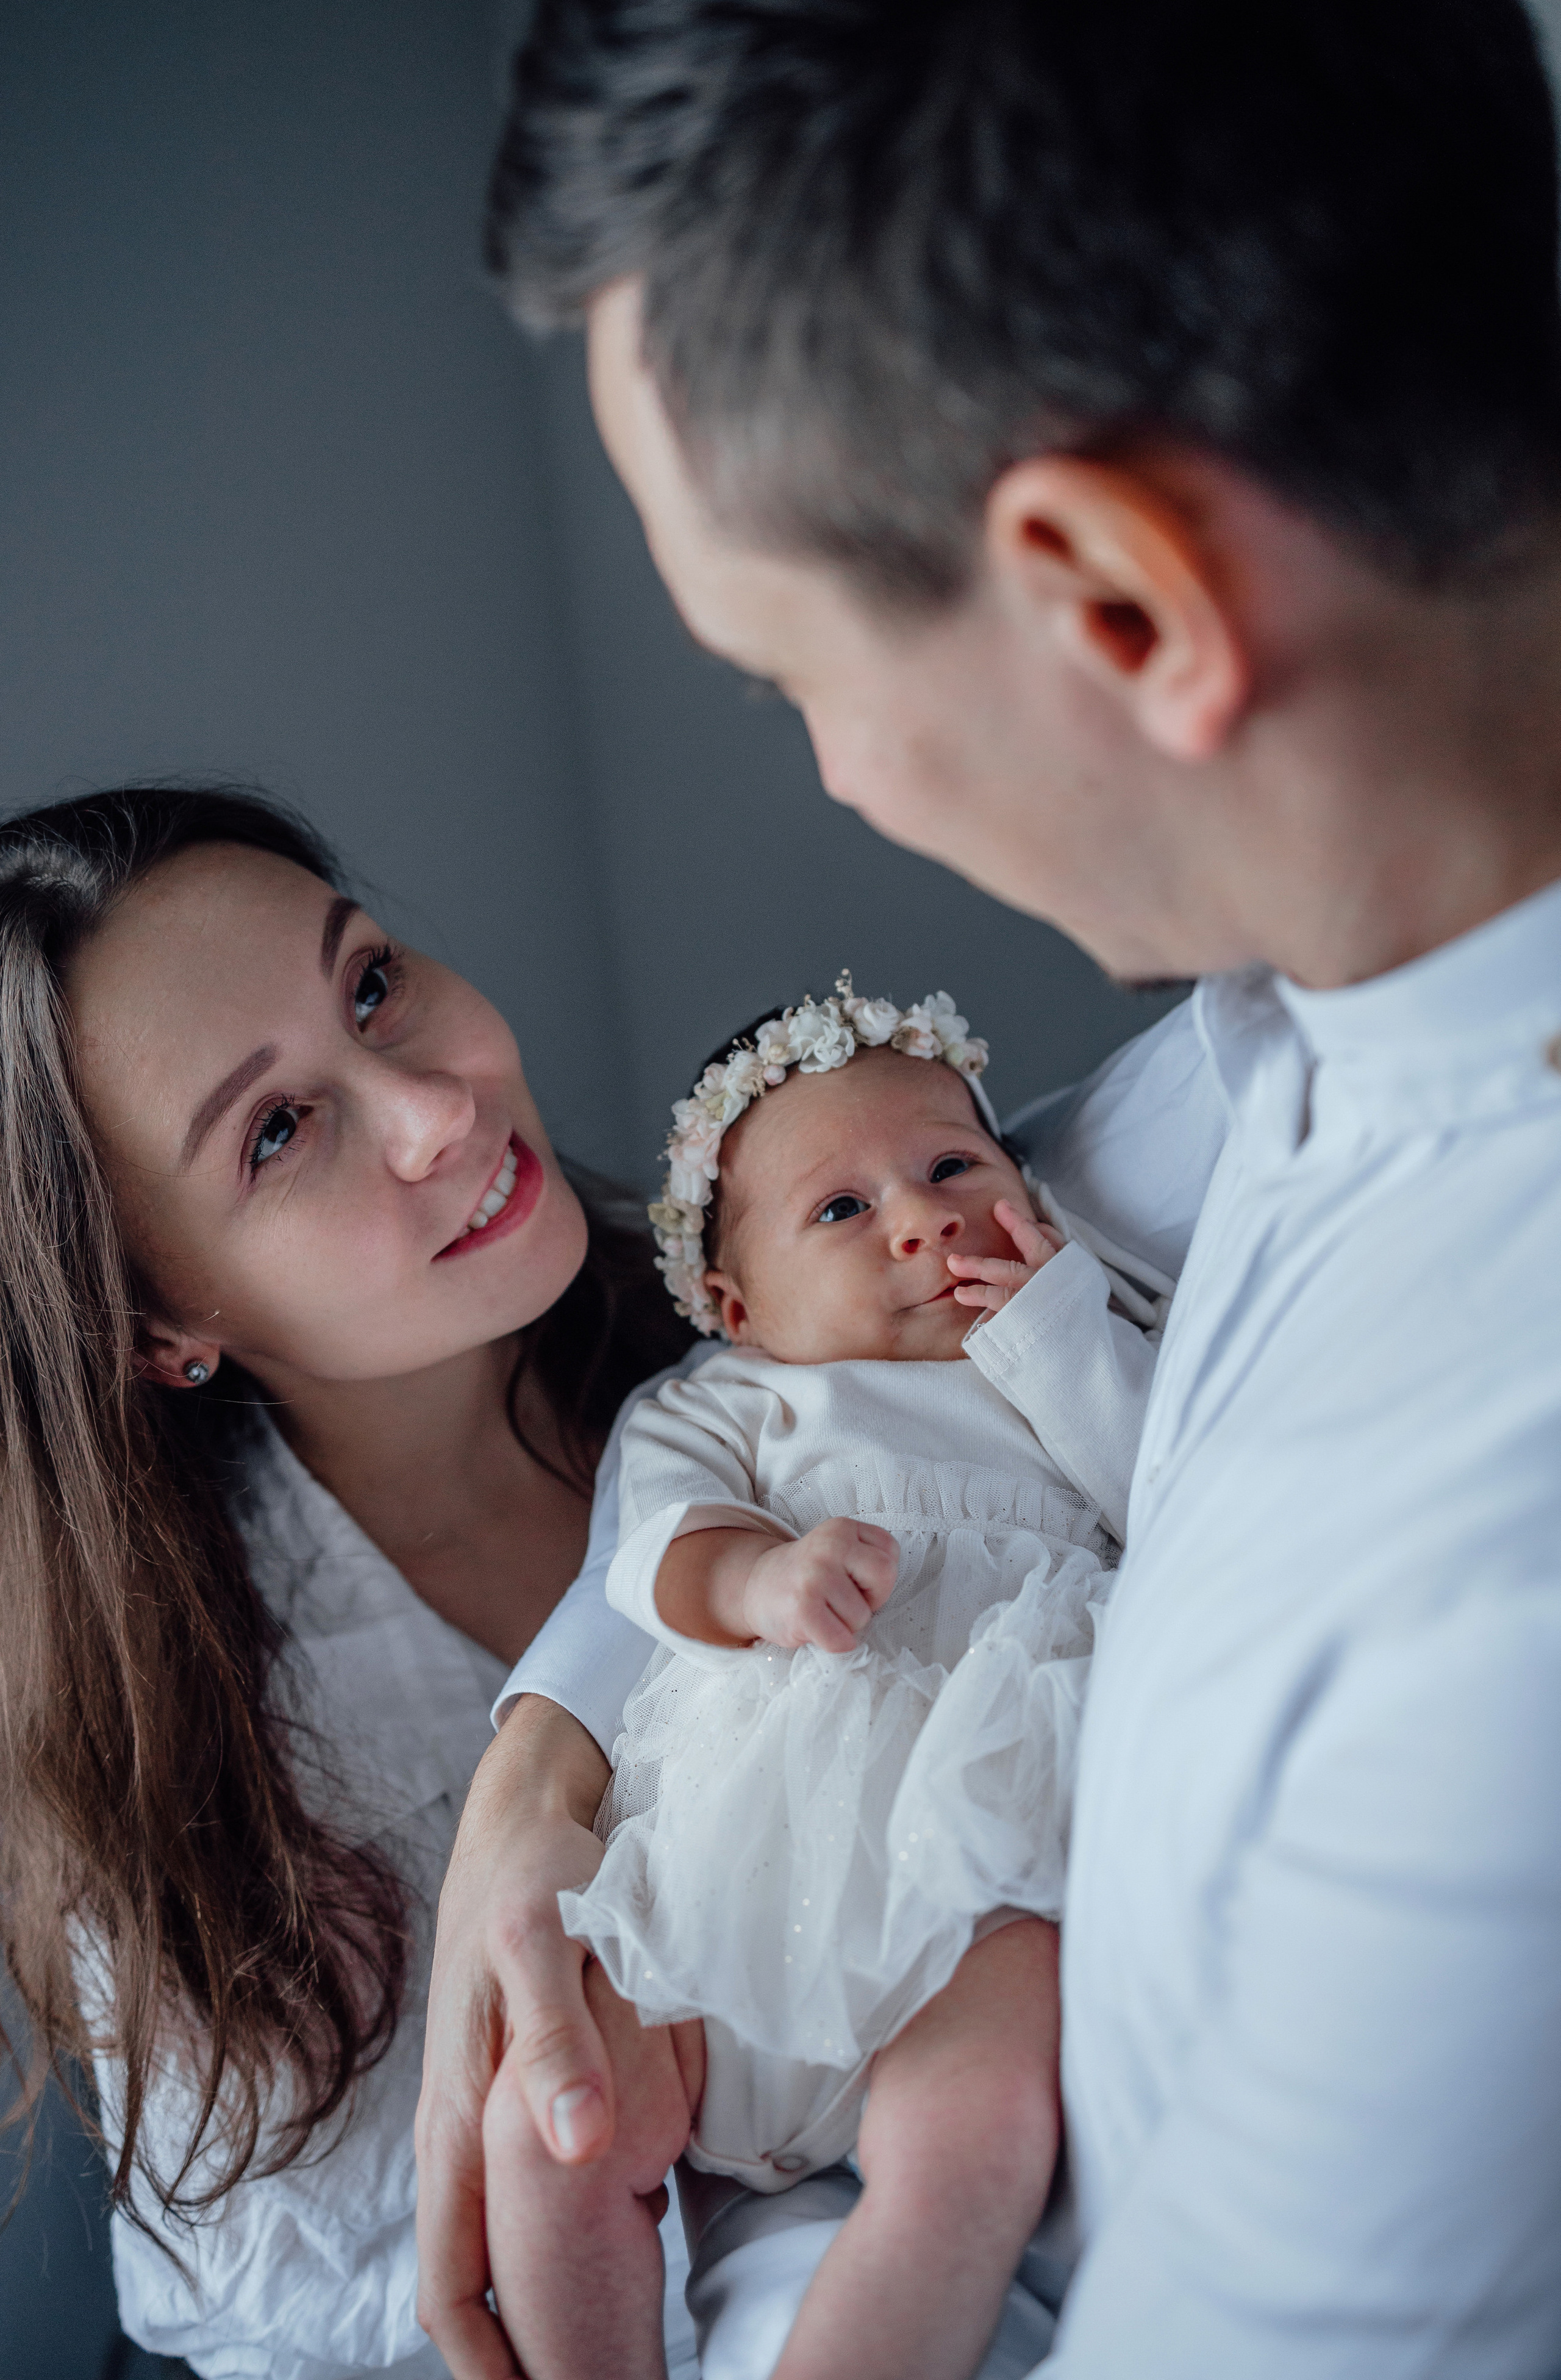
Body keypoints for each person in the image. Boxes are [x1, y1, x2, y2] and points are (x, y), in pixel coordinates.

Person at [415, 1, 1561, 2375]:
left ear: (1118, 605)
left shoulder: (1481, 1630)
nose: (838, 779)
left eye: (784, 672)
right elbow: (828, 1333)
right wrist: (531, 1781)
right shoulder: (1289, 1027)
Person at [0, 784, 699, 2379]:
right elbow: (307, 2315)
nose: (432, 1107)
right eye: (277, 1128)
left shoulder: (772, 1307)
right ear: (160, 1321)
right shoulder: (199, 1764)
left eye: (372, 981)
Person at [499, 983, 1165, 2380]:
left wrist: (1050, 1323)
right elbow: (657, 1554)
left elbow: (1157, 1488)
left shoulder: (1060, 1343)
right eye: (840, 1211)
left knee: (969, 2145)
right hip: (732, 1865)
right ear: (737, 1308)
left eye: (950, 1168)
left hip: (971, 1861)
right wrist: (755, 1581)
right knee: (550, 2117)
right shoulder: (721, 1400)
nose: (917, 1220)